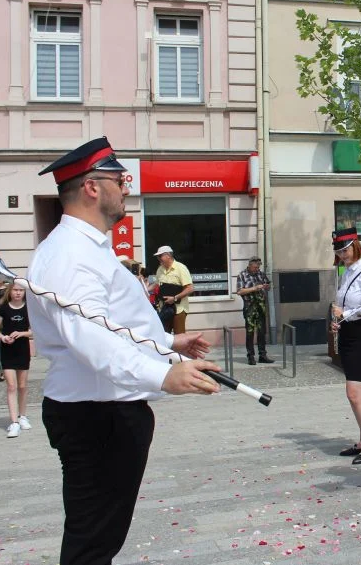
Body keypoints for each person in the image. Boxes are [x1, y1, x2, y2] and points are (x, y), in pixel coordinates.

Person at [29, 137, 221, 565]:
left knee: (100, 537)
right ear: (92, 187)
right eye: (119, 178)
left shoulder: (87, 248)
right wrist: (162, 375)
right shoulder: (69, 254)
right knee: (92, 542)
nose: (127, 186)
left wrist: (169, 344)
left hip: (107, 408)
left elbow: (111, 325)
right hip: (96, 414)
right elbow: (89, 338)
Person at [330, 228, 361, 465]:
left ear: (356, 246)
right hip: (350, 333)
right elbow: (343, 307)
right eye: (339, 251)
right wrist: (338, 321)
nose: (343, 254)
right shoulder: (347, 272)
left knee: (353, 392)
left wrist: (345, 314)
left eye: (347, 249)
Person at [0, 283, 33, 438]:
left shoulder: (28, 308)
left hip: (22, 349)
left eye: (21, 290)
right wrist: (3, 337)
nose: (18, 293)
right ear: (10, 291)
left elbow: (32, 331)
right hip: (7, 350)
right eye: (15, 290)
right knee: (11, 386)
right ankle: (14, 422)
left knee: (22, 386)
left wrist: (21, 333)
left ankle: (23, 416)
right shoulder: (3, 308)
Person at [236, 256, 274, 365]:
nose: (257, 269)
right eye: (255, 267)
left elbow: (268, 285)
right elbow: (239, 291)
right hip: (249, 306)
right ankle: (251, 356)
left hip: (260, 306)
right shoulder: (242, 275)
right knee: (250, 332)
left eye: (258, 267)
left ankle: (262, 355)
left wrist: (266, 287)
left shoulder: (261, 274)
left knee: (262, 332)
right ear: (250, 265)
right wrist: (254, 288)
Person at [153, 245, 194, 334]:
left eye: (160, 256)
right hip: (164, 308)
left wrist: (175, 298)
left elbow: (190, 288)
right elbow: (157, 286)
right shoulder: (160, 269)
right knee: (164, 335)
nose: (158, 258)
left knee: (179, 337)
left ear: (168, 255)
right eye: (157, 257)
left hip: (178, 309)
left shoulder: (181, 268)